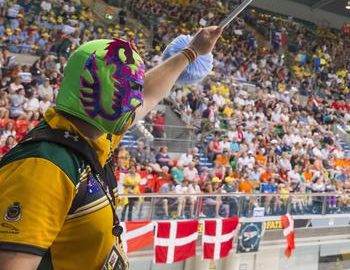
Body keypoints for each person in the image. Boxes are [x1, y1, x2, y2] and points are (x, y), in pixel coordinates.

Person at [0, 27, 221, 270]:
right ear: (92, 88)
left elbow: (148, 93)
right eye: (127, 89)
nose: (135, 100)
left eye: (134, 89)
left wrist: (191, 53)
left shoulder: (93, 138)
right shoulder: (43, 166)